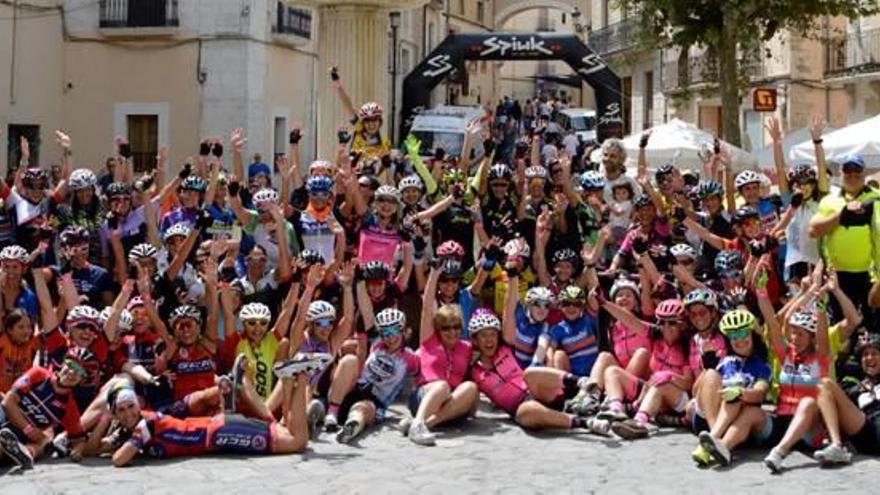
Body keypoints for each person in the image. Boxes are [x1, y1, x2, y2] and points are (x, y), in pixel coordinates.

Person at [0, 347, 97, 468]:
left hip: (16, 438)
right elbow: (7, 403)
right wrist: (28, 429)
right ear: (63, 363)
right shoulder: (38, 374)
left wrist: (78, 450)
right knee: (42, 438)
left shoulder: (69, 407)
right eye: (71, 365)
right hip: (5, 417)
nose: (72, 372)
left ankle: (27, 453)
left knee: (45, 441)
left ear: (83, 380)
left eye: (80, 372)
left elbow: (79, 438)